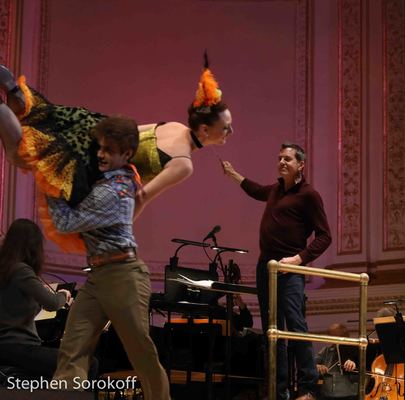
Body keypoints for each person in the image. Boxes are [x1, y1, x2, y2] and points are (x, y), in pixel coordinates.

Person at [0, 56, 232, 253]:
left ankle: (14, 93)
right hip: (101, 161)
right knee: (18, 154)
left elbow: (127, 131)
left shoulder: (174, 125)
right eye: (225, 127)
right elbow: (141, 196)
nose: (230, 132)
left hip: (99, 128)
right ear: (204, 129)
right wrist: (122, 232)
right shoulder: (184, 164)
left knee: (42, 121)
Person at [46, 116, 170, 400]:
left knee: (141, 353)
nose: (100, 154)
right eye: (99, 147)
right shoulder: (106, 181)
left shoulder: (115, 191)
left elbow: (66, 222)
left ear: (126, 154)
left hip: (123, 276)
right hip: (99, 276)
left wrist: (48, 181)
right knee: (72, 348)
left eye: (108, 149)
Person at [222, 143, 332, 400]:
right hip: (266, 268)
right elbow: (255, 190)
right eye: (280, 158)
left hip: (289, 270)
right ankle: (278, 389)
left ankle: (308, 387)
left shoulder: (309, 195)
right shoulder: (275, 190)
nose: (282, 162)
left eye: (288, 159)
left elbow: (325, 236)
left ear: (301, 165)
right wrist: (232, 173)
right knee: (273, 330)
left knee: (295, 325)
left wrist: (299, 259)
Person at [0, 218, 73, 379]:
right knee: (86, 363)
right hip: (18, 345)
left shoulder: (6, 269)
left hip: (6, 346)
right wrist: (64, 295)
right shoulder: (21, 270)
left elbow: (15, 307)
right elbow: (53, 303)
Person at [316, 324, 358, 400]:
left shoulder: (356, 350)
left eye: (334, 336)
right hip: (327, 396)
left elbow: (363, 368)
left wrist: (353, 364)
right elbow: (311, 364)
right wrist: (317, 366)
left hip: (349, 396)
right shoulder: (326, 350)